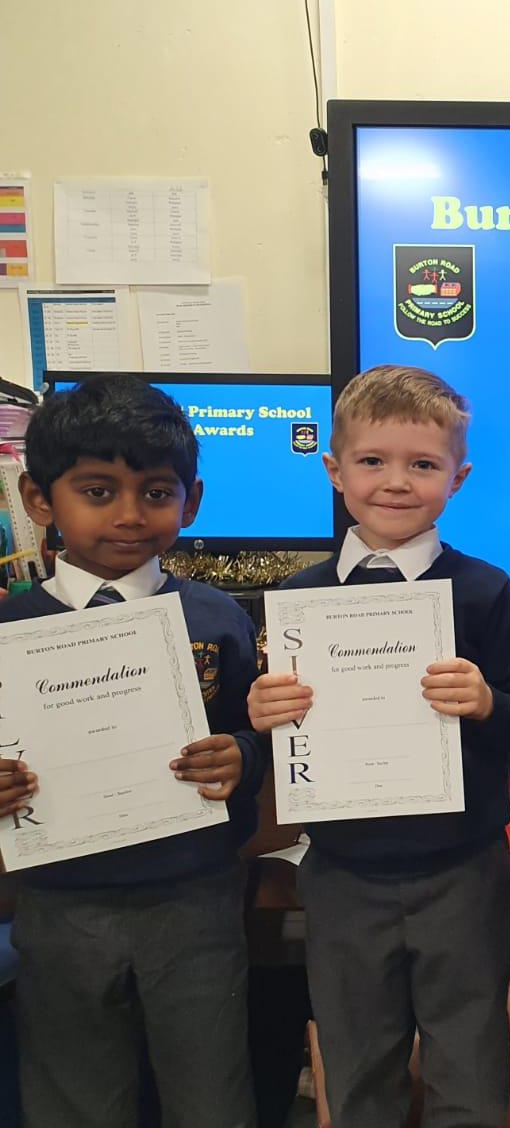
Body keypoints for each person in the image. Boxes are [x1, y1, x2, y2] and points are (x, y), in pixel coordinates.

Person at [246, 364, 510, 1127]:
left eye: (423, 465)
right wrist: (263, 713)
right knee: (357, 1063)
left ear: (458, 478)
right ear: (335, 469)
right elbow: (285, 747)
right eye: (373, 461)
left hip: (461, 871)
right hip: (342, 875)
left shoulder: (484, 589)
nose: (397, 482)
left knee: (469, 1059)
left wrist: (487, 703)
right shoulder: (298, 600)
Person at [0, 373, 265, 1128]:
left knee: (212, 1095)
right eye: (97, 491)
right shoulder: (10, 629)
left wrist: (241, 757)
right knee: (75, 1098)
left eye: (155, 493)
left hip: (194, 898)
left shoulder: (217, 618)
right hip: (60, 903)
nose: (128, 515)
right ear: (39, 500)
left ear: (192, 501)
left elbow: (257, 735)